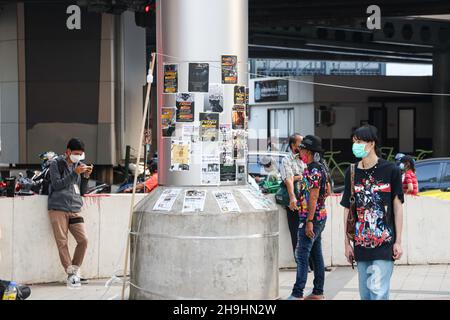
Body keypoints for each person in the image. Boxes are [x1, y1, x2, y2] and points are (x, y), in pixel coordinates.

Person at [341, 125, 404, 300]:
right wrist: (347, 243)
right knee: (366, 294)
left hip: (384, 243)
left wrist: (398, 241)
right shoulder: (351, 172)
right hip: (361, 245)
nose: (356, 145)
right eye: (354, 142)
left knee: (378, 291)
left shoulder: (391, 170)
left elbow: (398, 207)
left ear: (372, 144)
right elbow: (348, 209)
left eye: (359, 142)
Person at [48, 138, 92, 288]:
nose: (78, 157)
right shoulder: (56, 163)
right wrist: (74, 173)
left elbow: (82, 191)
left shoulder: (78, 165)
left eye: (80, 154)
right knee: (62, 242)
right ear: (67, 152)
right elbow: (57, 184)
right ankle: (71, 275)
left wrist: (85, 177)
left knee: (83, 240)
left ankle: (74, 270)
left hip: (75, 208)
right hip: (58, 208)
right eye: (75, 153)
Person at [288, 135, 329, 300]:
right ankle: (318, 292)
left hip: (312, 218)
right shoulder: (319, 168)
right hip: (319, 216)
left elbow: (313, 197)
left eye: (302, 150)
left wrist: (309, 221)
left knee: (302, 253)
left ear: (310, 152)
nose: (300, 153)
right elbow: (327, 191)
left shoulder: (313, 170)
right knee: (316, 254)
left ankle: (297, 293)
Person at [280, 134, 306, 255]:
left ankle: (312, 262)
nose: (302, 145)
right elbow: (288, 179)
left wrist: (297, 177)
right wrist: (292, 198)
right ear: (293, 145)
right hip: (294, 201)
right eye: (300, 143)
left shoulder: (306, 158)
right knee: (295, 232)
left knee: (309, 230)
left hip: (307, 200)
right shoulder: (287, 160)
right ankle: (300, 261)